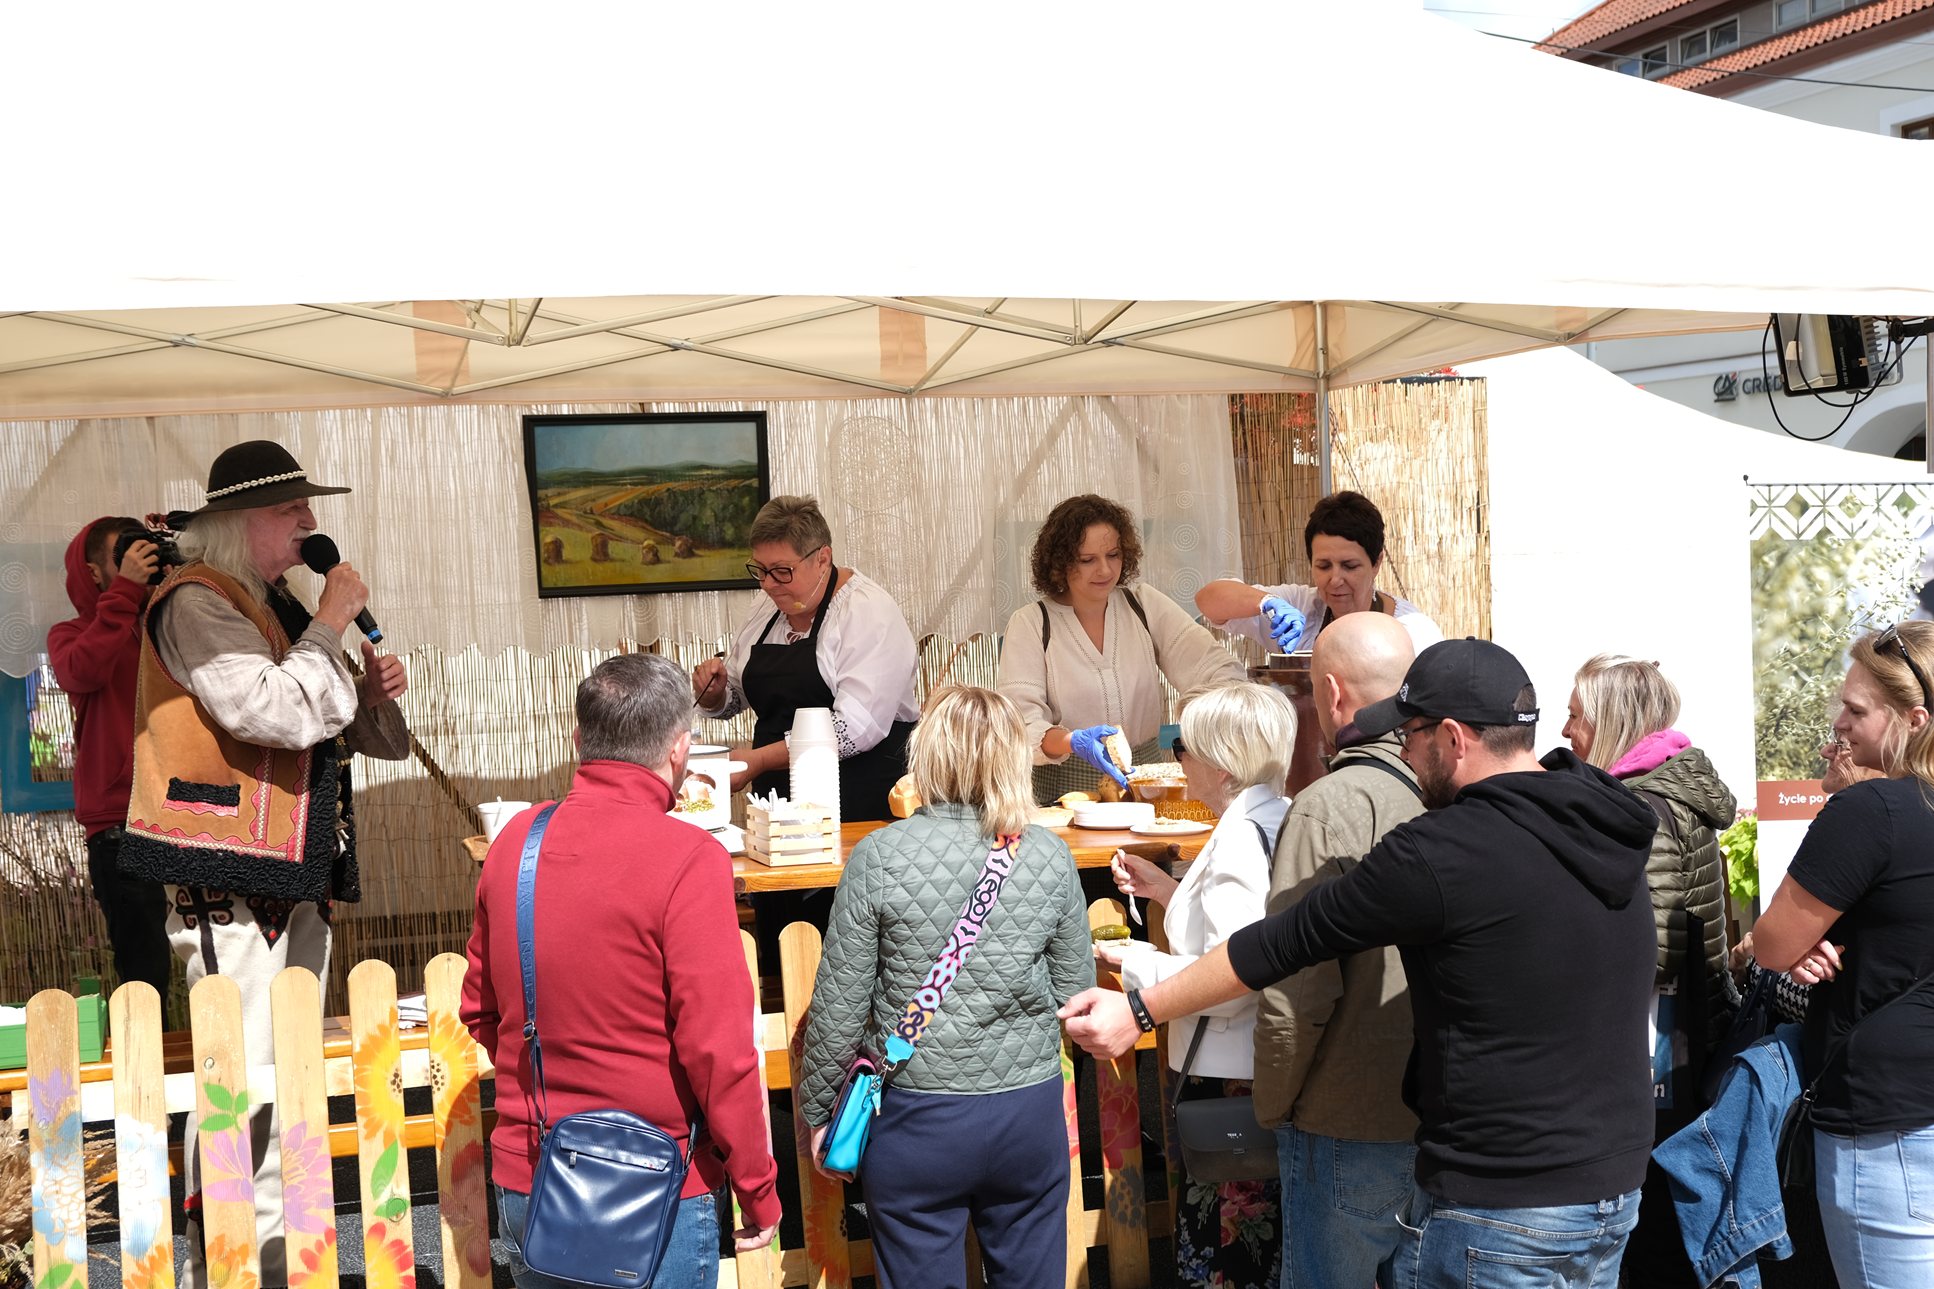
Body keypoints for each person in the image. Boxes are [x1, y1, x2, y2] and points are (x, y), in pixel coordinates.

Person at [1060, 638, 1660, 1289]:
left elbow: (1278, 944)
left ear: (1453, 738)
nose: (1405, 753)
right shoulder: (1606, 822)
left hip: (1501, 1205)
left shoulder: (1445, 850)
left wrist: (1138, 1008)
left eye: (1411, 735)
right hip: (1613, 1190)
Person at [118, 440, 410, 1287]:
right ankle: (229, 1264)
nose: (311, 522)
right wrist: (331, 621)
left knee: (287, 1075)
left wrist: (371, 693)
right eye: (292, 509)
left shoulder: (271, 601)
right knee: (238, 1079)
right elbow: (272, 711)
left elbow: (336, 725)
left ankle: (279, 1262)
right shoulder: (195, 601)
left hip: (290, 870)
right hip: (230, 873)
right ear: (241, 521)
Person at [463, 653, 781, 1288]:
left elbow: (480, 1011)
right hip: (657, 1180)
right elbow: (719, 1052)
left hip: (535, 1170)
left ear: (578, 740)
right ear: (680, 750)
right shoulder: (691, 857)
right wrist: (757, 1185)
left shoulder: (515, 842)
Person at [799, 686, 1092, 1289]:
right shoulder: (1049, 855)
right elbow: (1076, 993)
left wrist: (821, 1111)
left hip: (915, 1117)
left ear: (926, 755)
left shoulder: (879, 856)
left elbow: (839, 1006)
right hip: (1027, 1111)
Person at [1752, 621, 1934, 1288]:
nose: (1838, 724)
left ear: (1914, 721)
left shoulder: (1874, 810)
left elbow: (1772, 941)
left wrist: (1799, 943)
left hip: (1890, 1122)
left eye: (1856, 711)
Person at [1103, 680, 1294, 1288]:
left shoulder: (1238, 838)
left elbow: (1234, 974)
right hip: (1261, 1068)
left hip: (1227, 1075)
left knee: (1225, 1256)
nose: (1177, 758)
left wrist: (1132, 961)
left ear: (1221, 763)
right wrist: (1168, 890)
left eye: (1182, 745)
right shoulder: (1277, 816)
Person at [1251, 611, 1422, 1289]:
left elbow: (1297, 988)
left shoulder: (1326, 806)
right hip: (1439, 1120)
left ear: (1330, 692)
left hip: (1344, 1120)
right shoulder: (1450, 788)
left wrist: (1273, 1105)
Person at [1562, 655, 1735, 1288]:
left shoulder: (1644, 810)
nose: (1565, 730)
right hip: (1675, 1044)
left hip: (1653, 1054)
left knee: (1651, 1228)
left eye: (1576, 715)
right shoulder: (1665, 796)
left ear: (1611, 720)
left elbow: (1648, 951)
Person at [996, 493, 1244, 803]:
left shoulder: (1143, 605)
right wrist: (1073, 741)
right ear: (1060, 563)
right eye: (1087, 560)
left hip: (1148, 791)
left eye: (1113, 555)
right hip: (1065, 798)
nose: (1105, 570)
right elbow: (1020, 724)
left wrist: (1211, 722)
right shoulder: (1031, 623)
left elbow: (1211, 667)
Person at [692, 494, 919, 821]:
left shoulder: (868, 612)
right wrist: (715, 694)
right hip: (777, 804)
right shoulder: (766, 608)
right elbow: (737, 694)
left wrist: (759, 760)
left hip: (860, 799)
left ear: (822, 559)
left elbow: (853, 730)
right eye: (760, 570)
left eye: (782, 571)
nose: (768, 584)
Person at [47, 516, 172, 998]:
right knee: (146, 970)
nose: (139, 563)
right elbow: (81, 672)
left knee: (215, 955)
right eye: (125, 555)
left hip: (187, 811)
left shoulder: (165, 623)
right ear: (93, 571)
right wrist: (124, 594)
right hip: (120, 824)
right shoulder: (70, 634)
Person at [1196, 490, 1444, 656]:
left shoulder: (1413, 631)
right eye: (1323, 566)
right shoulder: (1300, 607)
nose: (1335, 580)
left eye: (1349, 566)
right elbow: (1208, 600)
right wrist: (1265, 602)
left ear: (1376, 563)